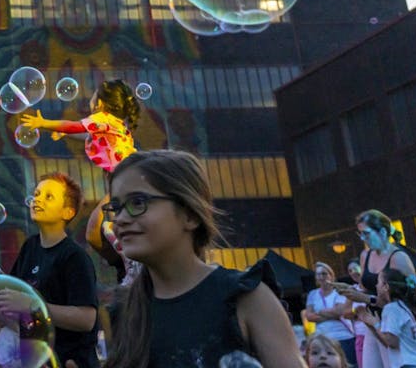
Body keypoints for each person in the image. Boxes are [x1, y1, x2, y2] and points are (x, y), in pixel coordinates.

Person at [102, 149, 302, 368]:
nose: (120, 219)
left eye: (138, 202)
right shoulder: (125, 308)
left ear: (190, 215)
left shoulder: (246, 297)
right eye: (116, 207)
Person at [0, 173, 100, 368]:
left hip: (69, 362)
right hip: (36, 359)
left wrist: (34, 306)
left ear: (68, 212)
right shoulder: (31, 246)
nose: (37, 199)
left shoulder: (74, 257)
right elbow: (15, 292)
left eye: (48, 196)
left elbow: (86, 319)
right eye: (36, 194)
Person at [21, 80, 142, 284]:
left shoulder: (102, 117)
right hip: (129, 179)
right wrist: (65, 132)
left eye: (94, 95)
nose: (90, 100)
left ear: (101, 103)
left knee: (105, 227)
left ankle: (132, 265)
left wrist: (43, 123)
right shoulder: (116, 124)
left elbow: (75, 126)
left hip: (125, 181)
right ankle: (128, 264)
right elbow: (86, 133)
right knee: (103, 227)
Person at [332, 210, 416, 368]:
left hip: (394, 327)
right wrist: (351, 290)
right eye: (360, 235)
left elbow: (408, 301)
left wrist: (363, 298)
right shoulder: (366, 255)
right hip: (373, 323)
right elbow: (364, 288)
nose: (363, 239)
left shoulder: (399, 258)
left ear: (383, 232)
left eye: (366, 234)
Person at [355, 268, 416, 368]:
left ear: (386, 286)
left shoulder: (392, 308)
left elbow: (392, 341)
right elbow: (388, 342)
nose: (376, 286)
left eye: (378, 282)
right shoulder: (405, 307)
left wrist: (374, 322)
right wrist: (369, 323)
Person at [303, 263, 356, 366]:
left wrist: (319, 312)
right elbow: (309, 316)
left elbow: (340, 311)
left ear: (331, 276)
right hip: (322, 338)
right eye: (318, 274)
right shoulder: (312, 294)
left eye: (324, 274)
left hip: (342, 337)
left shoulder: (338, 291)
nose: (321, 277)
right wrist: (332, 313)